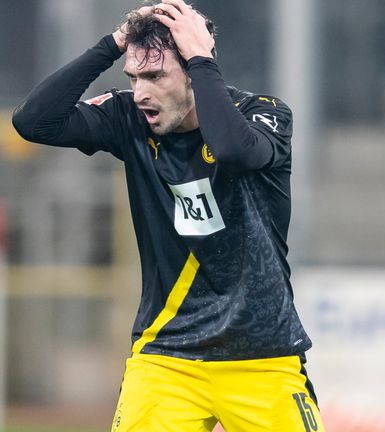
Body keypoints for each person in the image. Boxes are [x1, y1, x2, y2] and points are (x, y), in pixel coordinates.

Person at [12, 1, 324, 431]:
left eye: (156, 76)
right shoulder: (128, 117)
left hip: (262, 356)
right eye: (134, 77)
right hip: (166, 357)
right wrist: (112, 44)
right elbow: (34, 122)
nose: (141, 93)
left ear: (196, 72)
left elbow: (233, 150)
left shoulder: (264, 114)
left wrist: (202, 59)